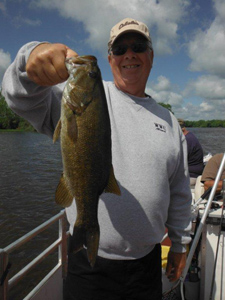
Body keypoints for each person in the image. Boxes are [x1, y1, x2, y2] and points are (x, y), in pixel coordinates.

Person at [2, 18, 192, 300]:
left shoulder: (169, 121)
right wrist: (29, 57)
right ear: (110, 58)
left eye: (138, 46)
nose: (129, 53)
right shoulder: (86, 95)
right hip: (88, 265)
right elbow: (20, 98)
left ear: (150, 56)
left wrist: (179, 244)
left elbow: (179, 191)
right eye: (120, 48)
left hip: (147, 266)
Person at [178, 119, 204, 186]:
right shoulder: (189, 136)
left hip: (191, 176)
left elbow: (177, 161)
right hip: (193, 173)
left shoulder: (187, 140)